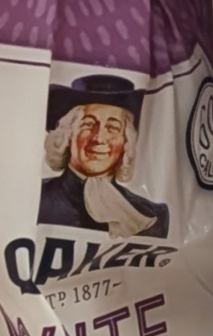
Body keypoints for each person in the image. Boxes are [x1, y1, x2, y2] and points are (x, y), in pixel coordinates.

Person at [37, 73, 167, 239]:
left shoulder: (152, 215)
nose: (99, 138)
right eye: (88, 124)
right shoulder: (35, 198)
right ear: (68, 136)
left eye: (112, 128)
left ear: (126, 142)